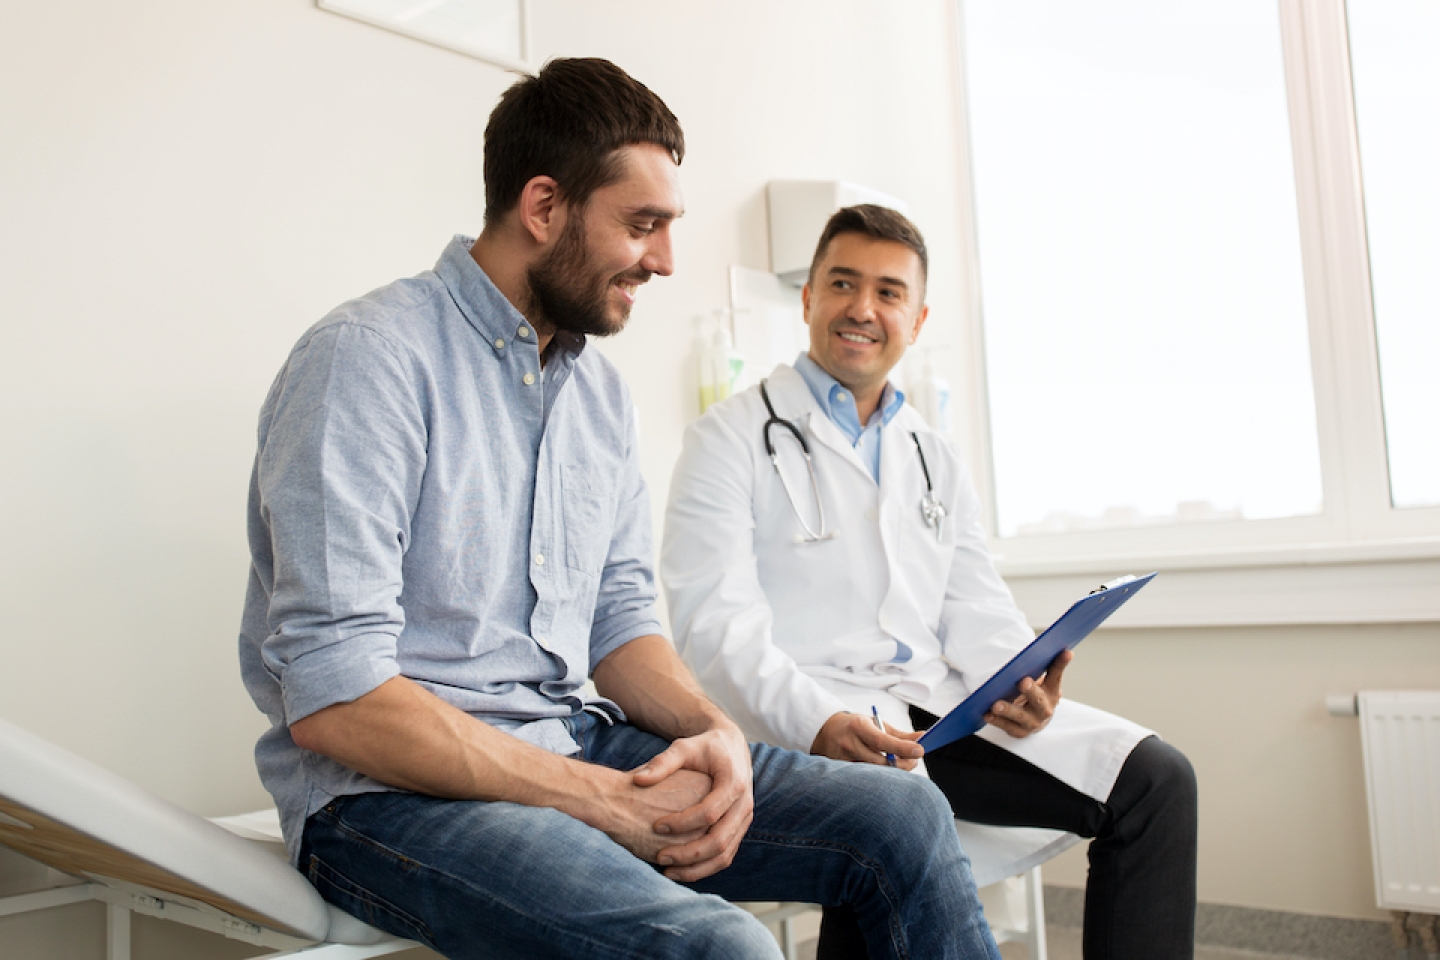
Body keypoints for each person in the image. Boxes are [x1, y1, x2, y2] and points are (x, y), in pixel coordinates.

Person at [237, 61, 1002, 960]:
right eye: (642, 226)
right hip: (385, 798)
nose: (666, 260)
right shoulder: (368, 362)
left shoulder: (596, 396)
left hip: (572, 740)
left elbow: (621, 627)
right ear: (544, 206)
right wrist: (596, 798)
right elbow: (339, 702)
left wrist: (715, 734)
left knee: (903, 814)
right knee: (726, 948)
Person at [661, 204, 1198, 960]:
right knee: (887, 826)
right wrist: (816, 721)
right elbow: (713, 628)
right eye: (842, 283)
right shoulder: (726, 440)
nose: (862, 308)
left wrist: (1022, 678)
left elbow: (973, 603)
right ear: (808, 298)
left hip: (938, 713)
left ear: (916, 319)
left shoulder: (931, 454)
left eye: (888, 292)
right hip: (807, 719)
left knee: (1156, 782)